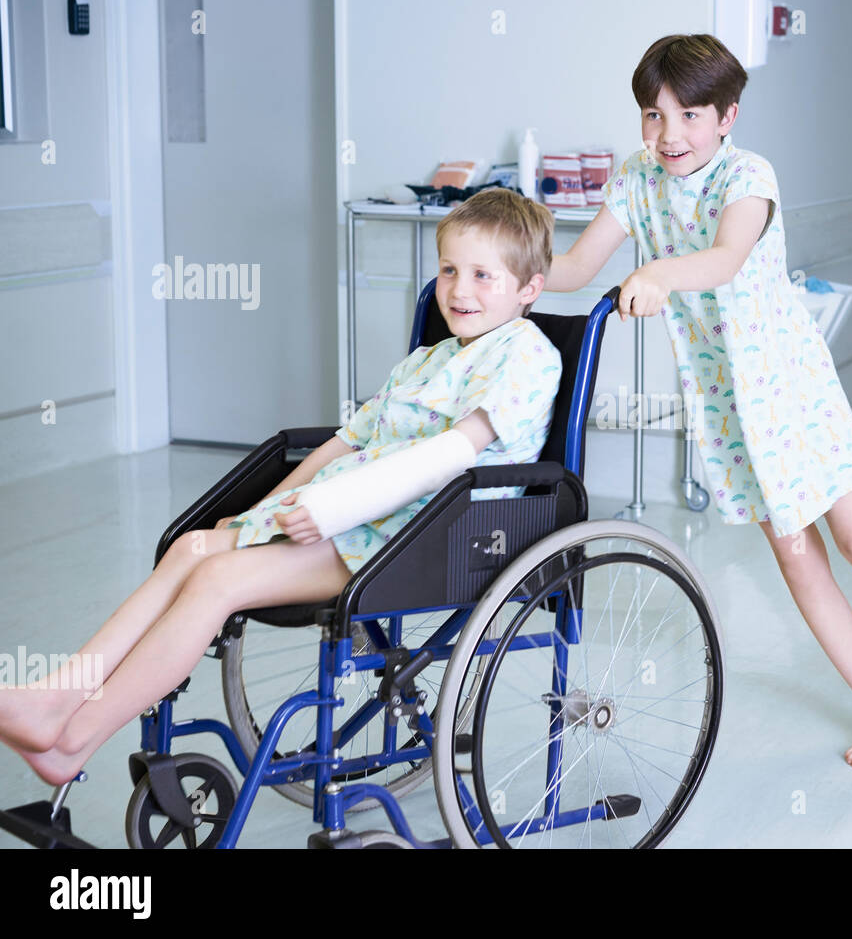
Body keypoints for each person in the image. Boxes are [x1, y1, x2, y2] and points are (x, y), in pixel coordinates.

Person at [546, 33, 852, 772]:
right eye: (653, 116)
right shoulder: (636, 179)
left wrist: (659, 272)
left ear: (727, 116)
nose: (670, 136)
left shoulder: (747, 175)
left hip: (789, 387)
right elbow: (573, 266)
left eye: (690, 116)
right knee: (797, 558)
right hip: (726, 402)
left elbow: (726, 258)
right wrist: (503, 276)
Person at [0, 188, 562, 787]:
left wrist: (328, 506)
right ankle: (56, 698)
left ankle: (73, 743)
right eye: (449, 269)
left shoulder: (526, 355)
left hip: (422, 533)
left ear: (529, 288)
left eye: (482, 275)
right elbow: (344, 443)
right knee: (192, 547)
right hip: (348, 516)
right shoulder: (427, 360)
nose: (458, 289)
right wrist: (265, 511)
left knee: (217, 580)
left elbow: (451, 455)